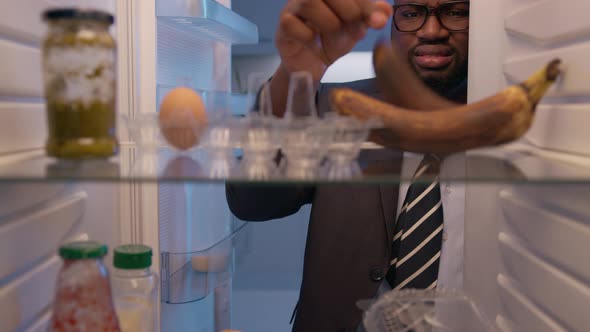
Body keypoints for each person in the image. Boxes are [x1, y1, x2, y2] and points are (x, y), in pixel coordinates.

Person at [226, 0, 470, 331]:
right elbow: (251, 201)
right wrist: (293, 75)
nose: (430, 31)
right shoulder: (338, 109)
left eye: (456, 12)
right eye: (411, 13)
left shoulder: (515, 123)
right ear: (392, 22)